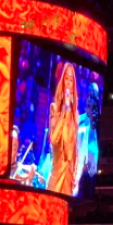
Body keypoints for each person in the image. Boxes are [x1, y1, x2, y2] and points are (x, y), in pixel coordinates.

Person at [46, 62, 80, 196]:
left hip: (68, 176)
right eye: (66, 78)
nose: (69, 83)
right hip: (56, 175)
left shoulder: (76, 115)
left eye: (71, 80)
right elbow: (54, 140)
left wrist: (75, 173)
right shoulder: (54, 108)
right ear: (62, 81)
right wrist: (65, 111)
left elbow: (75, 148)